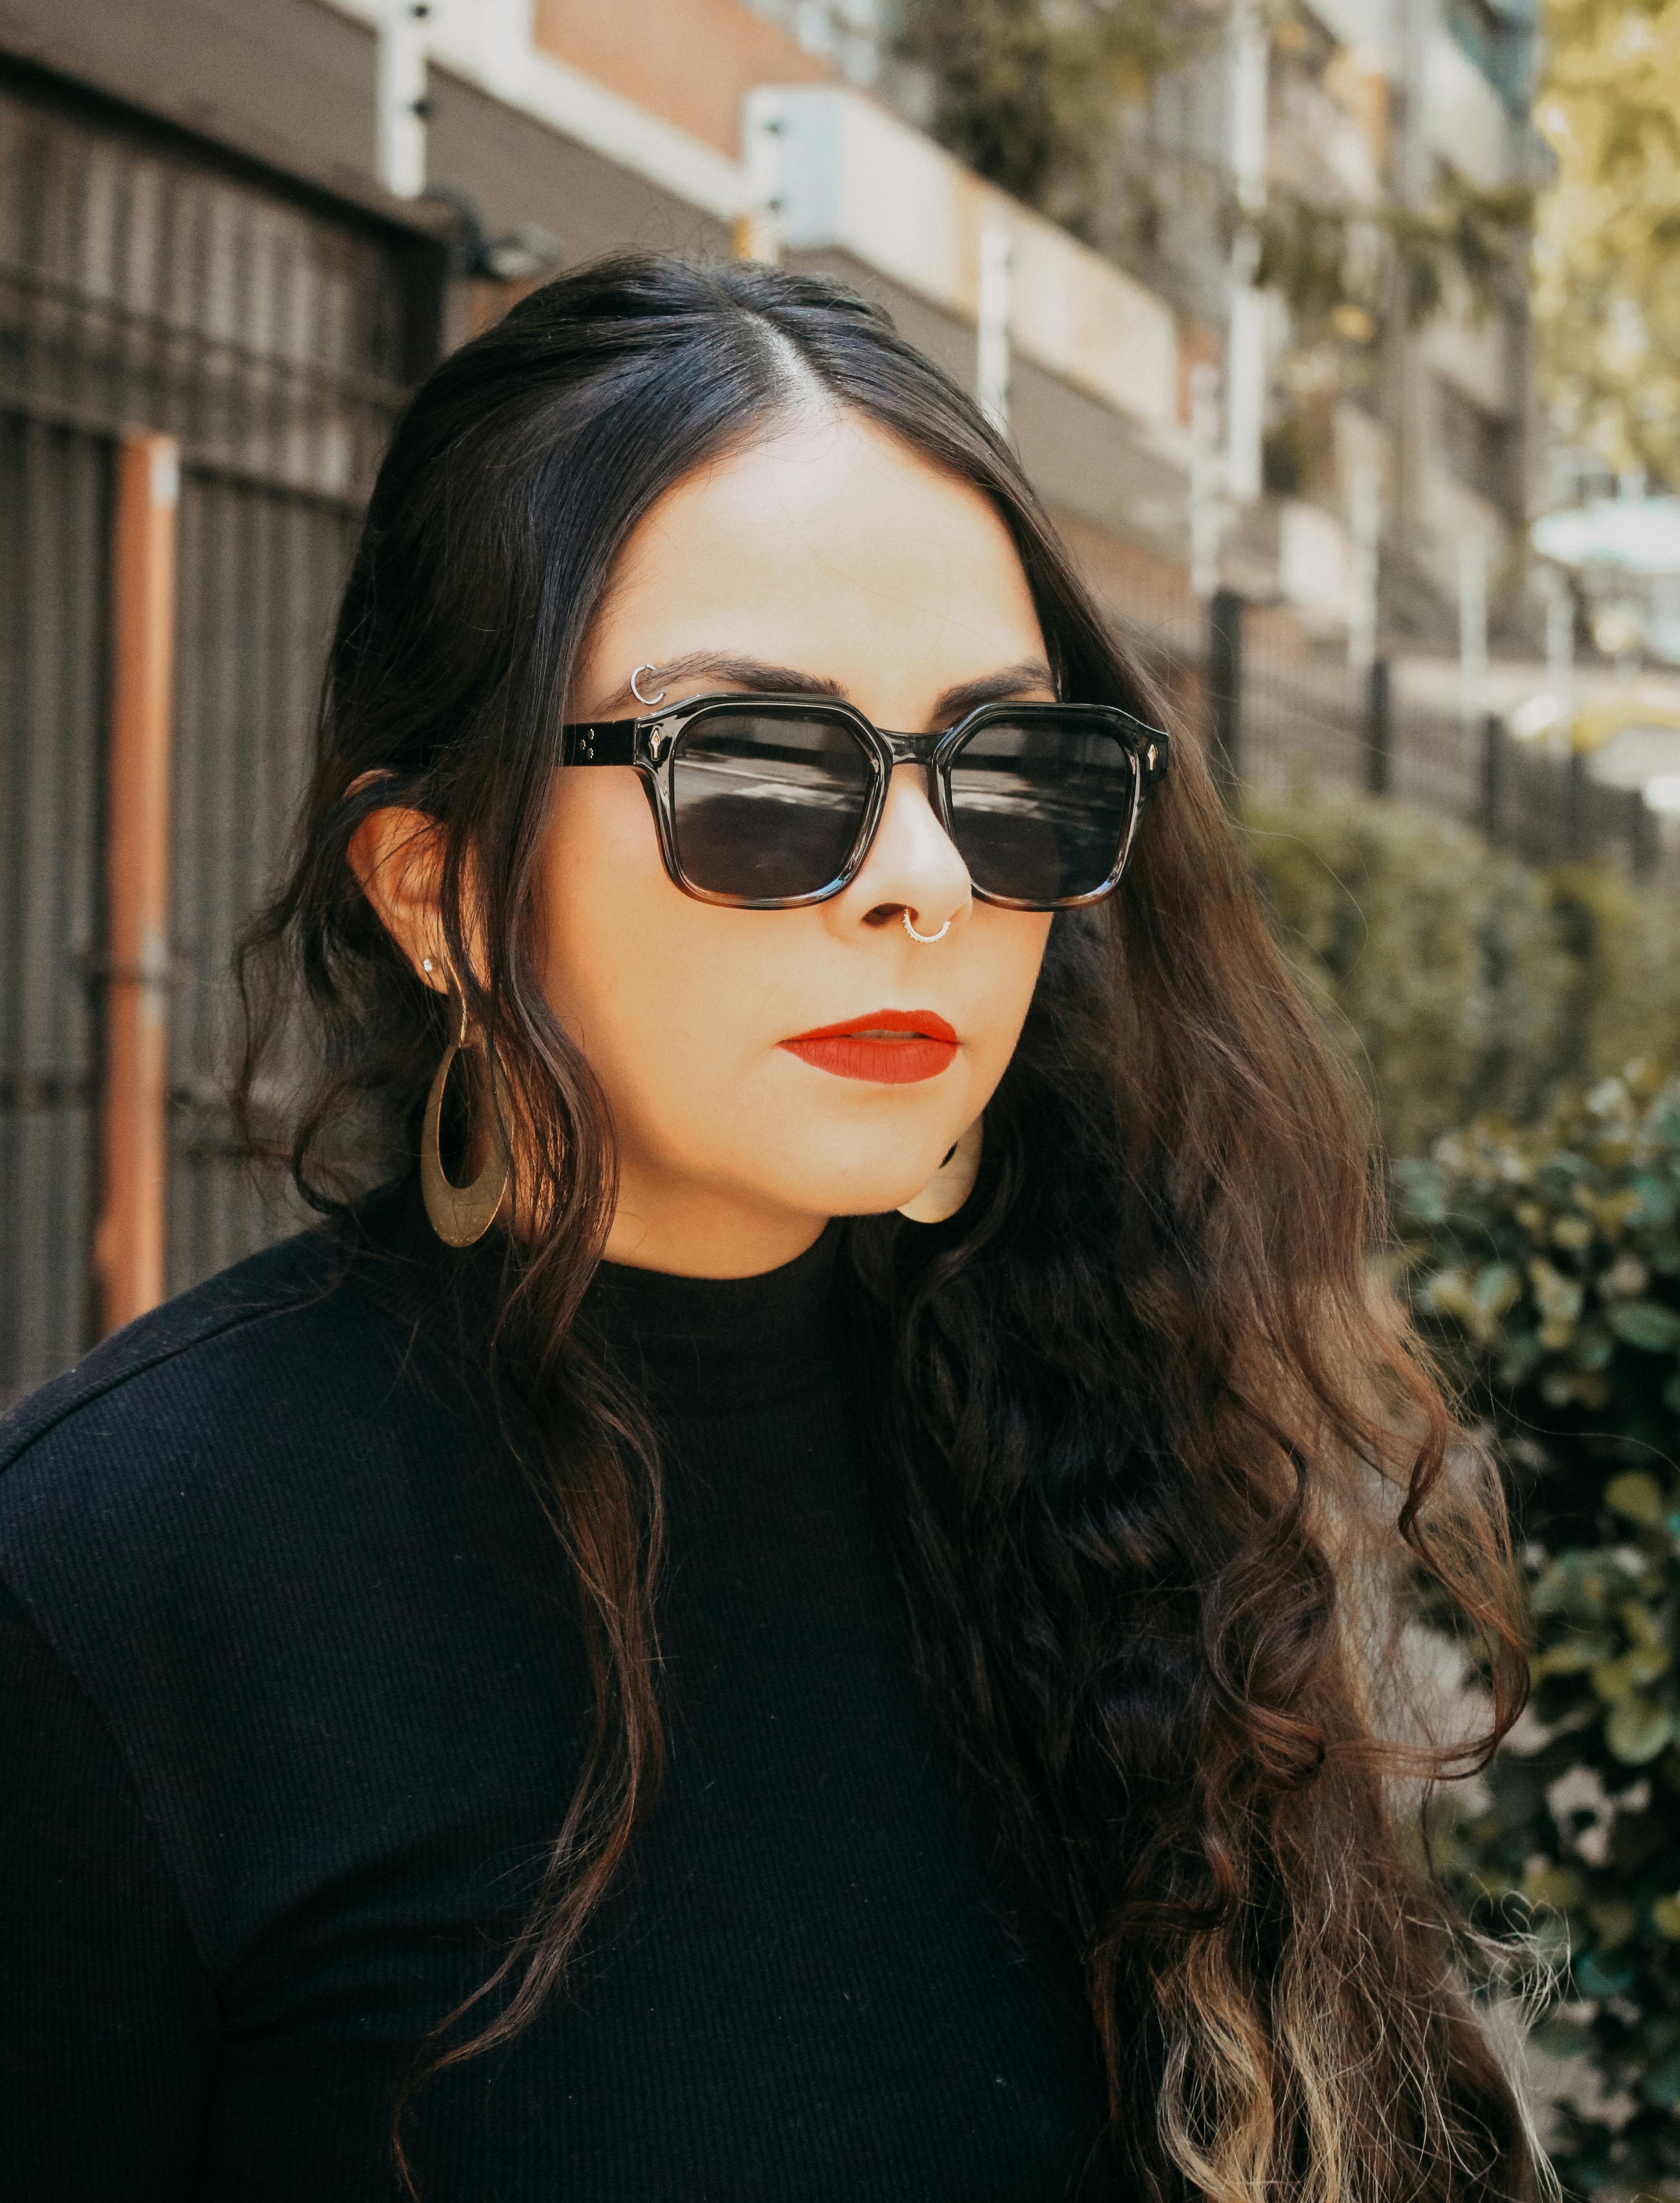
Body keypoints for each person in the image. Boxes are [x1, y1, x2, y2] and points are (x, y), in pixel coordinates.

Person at [0, 257, 1537, 2203]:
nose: (922, 880)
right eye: (749, 767)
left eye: (1006, 771)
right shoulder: (103, 1587)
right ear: (440, 884)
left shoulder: (1142, 1449)